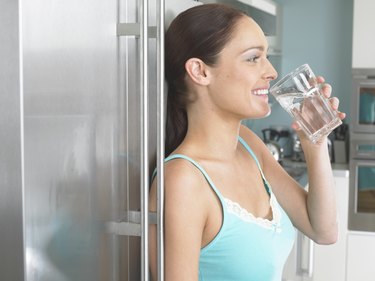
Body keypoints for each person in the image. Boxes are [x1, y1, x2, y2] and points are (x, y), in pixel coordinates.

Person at [149, 3, 346, 281]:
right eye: (253, 58)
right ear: (200, 71)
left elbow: (323, 231)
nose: (272, 72)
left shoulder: (248, 145)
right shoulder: (183, 181)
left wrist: (315, 141)